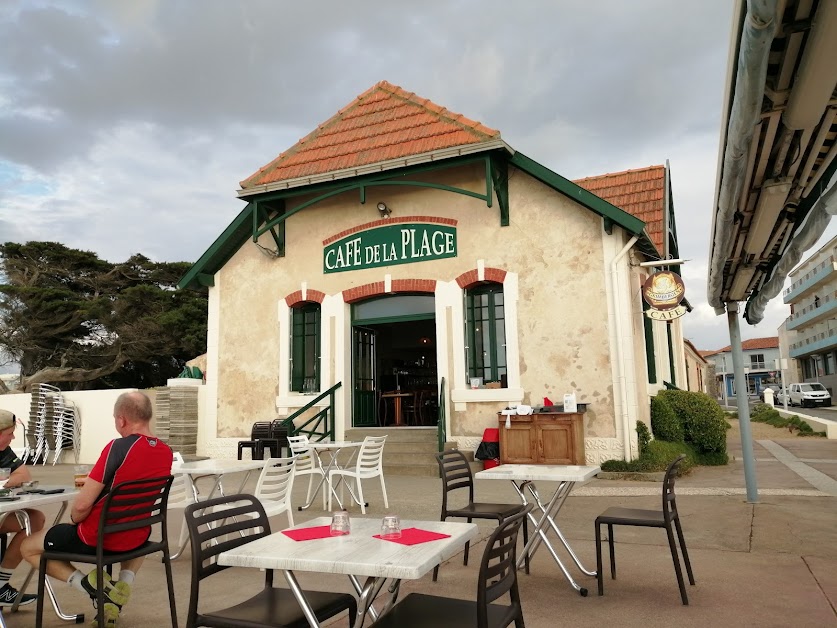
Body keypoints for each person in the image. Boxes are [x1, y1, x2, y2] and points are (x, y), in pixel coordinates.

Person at [21, 392, 172, 626]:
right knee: (135, 531)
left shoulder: (118, 447)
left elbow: (81, 507)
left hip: (98, 539)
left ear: (121, 420)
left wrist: (73, 518)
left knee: (28, 547)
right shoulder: (165, 451)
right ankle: (120, 590)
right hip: (137, 535)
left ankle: (92, 588)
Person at [0, 409, 45, 607]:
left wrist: (4, 482)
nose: (13, 437)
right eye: (9, 433)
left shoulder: (3, 451)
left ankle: (0, 584)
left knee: (34, 519)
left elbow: (24, 476)